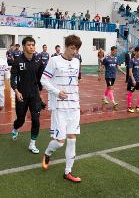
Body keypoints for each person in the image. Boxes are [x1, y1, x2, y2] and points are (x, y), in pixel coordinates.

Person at [41, 35, 83, 183]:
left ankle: (68, 172)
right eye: (72, 48)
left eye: (77, 49)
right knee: (60, 141)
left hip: (74, 106)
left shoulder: (77, 62)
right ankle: (47, 152)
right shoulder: (54, 60)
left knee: (72, 140)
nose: (74, 51)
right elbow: (43, 80)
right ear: (66, 46)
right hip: (59, 106)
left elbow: (75, 82)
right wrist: (57, 92)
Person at [10, 37, 45, 154]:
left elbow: (41, 79)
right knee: (20, 119)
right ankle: (15, 128)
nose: (31, 47)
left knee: (36, 119)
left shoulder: (38, 61)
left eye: (33, 45)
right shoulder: (17, 61)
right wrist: (16, 91)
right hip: (21, 94)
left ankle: (32, 144)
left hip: (34, 95)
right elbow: (13, 78)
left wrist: (41, 94)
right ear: (24, 46)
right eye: (29, 45)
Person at [126, 46, 139, 113]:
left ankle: (137, 107)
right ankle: (129, 107)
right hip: (132, 80)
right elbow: (130, 72)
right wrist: (133, 80)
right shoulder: (132, 60)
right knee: (130, 93)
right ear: (136, 52)